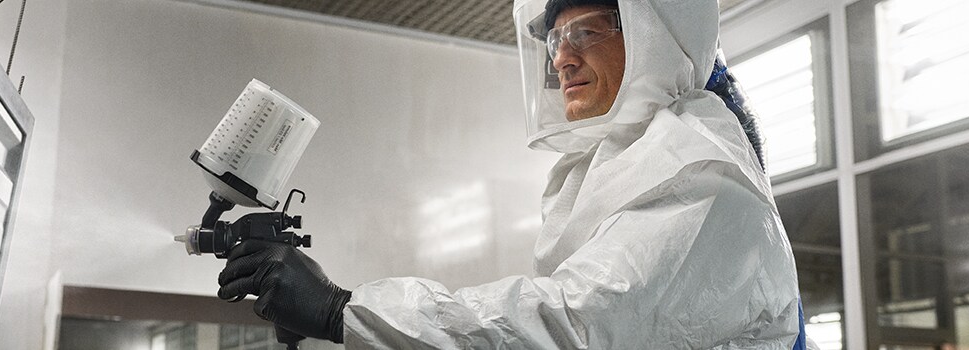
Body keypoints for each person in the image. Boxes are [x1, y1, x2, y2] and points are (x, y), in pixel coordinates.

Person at [216, 0, 813, 348]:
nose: (562, 58)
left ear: (657, 31)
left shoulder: (698, 169)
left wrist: (342, 310)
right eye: (555, 39)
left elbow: (572, 324)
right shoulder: (611, 164)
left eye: (585, 32)